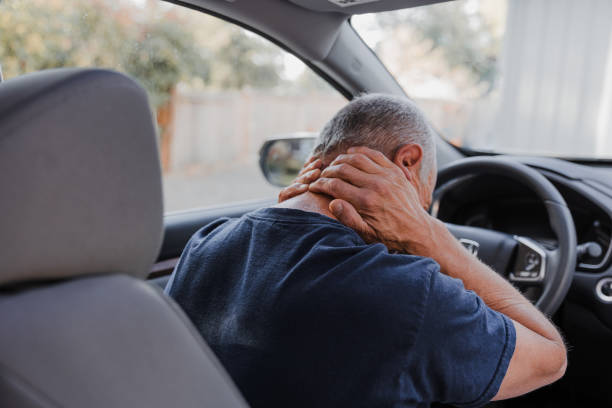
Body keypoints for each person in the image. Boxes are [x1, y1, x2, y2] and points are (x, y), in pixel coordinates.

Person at [166, 94, 566, 408]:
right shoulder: (408, 293)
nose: (419, 214)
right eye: (423, 202)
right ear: (408, 162)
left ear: (315, 163)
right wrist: (430, 238)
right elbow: (550, 358)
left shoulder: (206, 245)